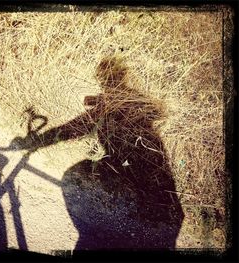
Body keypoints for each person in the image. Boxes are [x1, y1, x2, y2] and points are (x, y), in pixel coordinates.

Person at [17, 56, 184, 249]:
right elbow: (152, 108)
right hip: (168, 207)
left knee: (76, 178)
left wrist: (36, 141)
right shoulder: (137, 105)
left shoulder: (108, 107)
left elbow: (71, 129)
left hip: (138, 202)